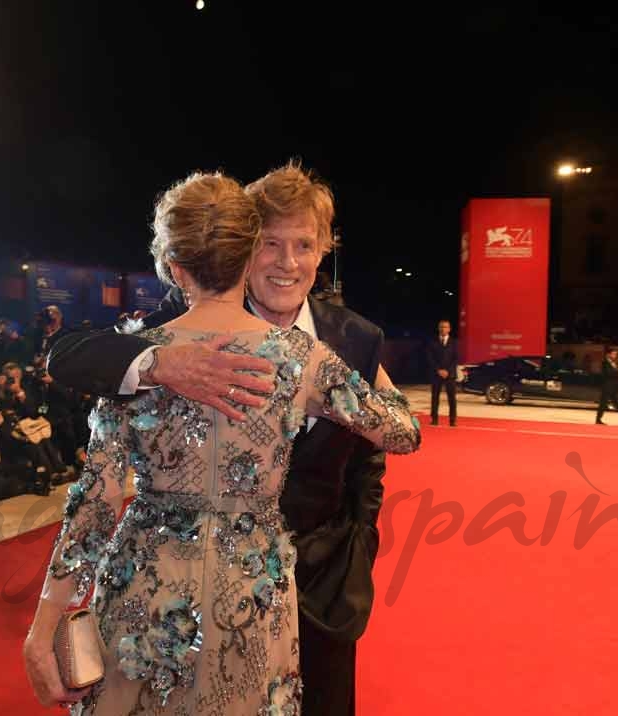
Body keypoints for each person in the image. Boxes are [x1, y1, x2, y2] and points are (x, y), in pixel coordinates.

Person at [25, 172, 420, 714]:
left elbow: (95, 502)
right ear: (247, 254)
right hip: (250, 595)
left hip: (143, 585)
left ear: (176, 266)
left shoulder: (138, 361)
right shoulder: (302, 359)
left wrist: (45, 622)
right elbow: (404, 433)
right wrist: (364, 383)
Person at [426, 319, 458, 426]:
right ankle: (434, 419)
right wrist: (438, 370)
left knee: (452, 398)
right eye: (441, 327)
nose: (443, 329)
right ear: (438, 328)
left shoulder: (454, 342)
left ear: (449, 329)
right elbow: (430, 358)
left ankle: (452, 420)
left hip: (450, 374)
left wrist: (447, 371)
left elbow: (455, 359)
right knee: (435, 397)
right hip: (436, 374)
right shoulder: (432, 342)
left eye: (445, 327)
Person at [595, 346, 618, 425]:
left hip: (613, 386)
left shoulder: (613, 363)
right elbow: (608, 374)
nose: (615, 356)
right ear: (608, 354)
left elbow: (614, 374)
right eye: (613, 354)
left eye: (615, 354)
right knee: (603, 404)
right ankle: (598, 420)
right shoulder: (605, 363)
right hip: (607, 386)